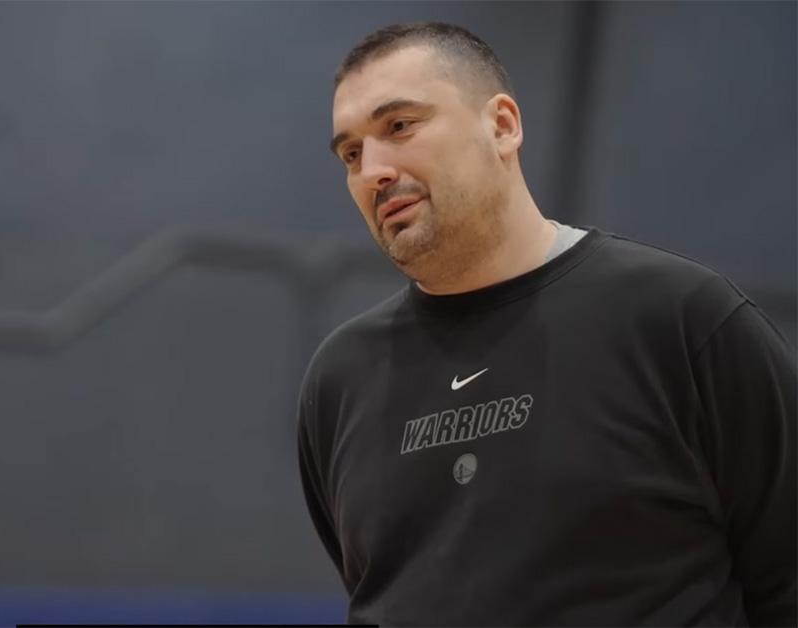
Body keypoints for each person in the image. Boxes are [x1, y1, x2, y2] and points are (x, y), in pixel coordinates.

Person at [298, 22, 795, 626]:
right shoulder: (339, 378)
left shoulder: (682, 319)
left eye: (399, 127)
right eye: (351, 153)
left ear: (502, 126)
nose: (372, 170)